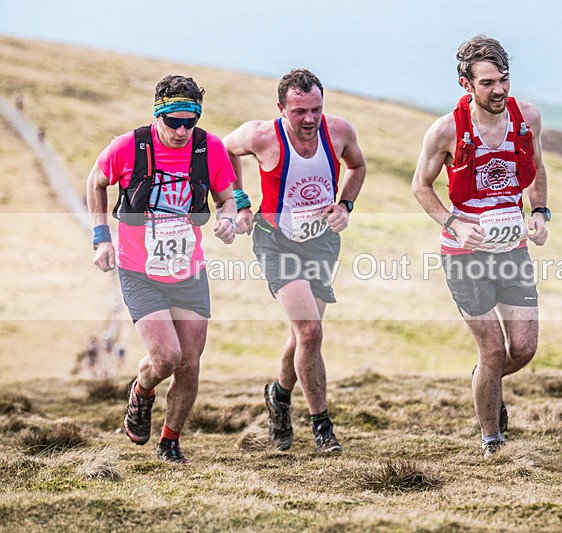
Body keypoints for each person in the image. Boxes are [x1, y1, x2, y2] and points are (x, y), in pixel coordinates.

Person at [86, 75, 237, 463]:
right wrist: (102, 236)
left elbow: (226, 197)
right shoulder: (130, 147)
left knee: (189, 364)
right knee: (165, 358)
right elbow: (96, 181)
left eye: (191, 121)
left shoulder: (209, 148)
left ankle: (170, 441)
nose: (183, 131)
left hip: (189, 271)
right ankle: (141, 390)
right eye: (174, 122)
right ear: (158, 115)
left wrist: (228, 218)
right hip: (139, 270)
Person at [412, 35, 549, 458]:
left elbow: (538, 168)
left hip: (511, 248)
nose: (499, 90)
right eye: (487, 82)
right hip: (464, 253)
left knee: (522, 349)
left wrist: (540, 212)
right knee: (492, 349)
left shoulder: (526, 117)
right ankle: (493, 440)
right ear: (465, 84)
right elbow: (421, 187)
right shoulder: (446, 130)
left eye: (504, 79)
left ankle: (484, 382)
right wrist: (453, 222)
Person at [223, 69, 366, 454]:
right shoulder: (261, 135)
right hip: (276, 242)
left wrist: (345, 204)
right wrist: (240, 202)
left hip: (320, 243)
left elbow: (357, 166)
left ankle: (279, 397)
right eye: (299, 110)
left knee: (301, 336)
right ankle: (322, 426)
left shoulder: (338, 132)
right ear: (281, 108)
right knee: (311, 333)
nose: (309, 119)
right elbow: (224, 151)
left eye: (316, 109)